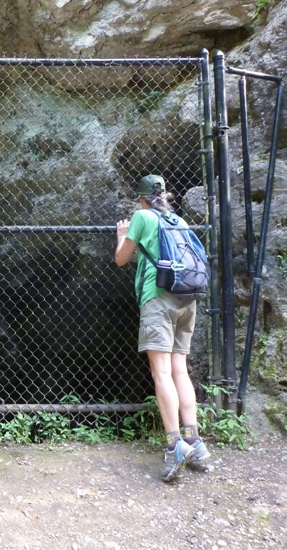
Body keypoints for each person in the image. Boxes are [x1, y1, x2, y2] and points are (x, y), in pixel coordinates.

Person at [114, 174, 210, 482]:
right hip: (187, 299)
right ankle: (194, 439)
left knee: (161, 373)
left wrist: (122, 235)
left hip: (158, 299)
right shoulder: (178, 221)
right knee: (180, 369)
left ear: (141, 198)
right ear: (166, 197)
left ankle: (174, 444)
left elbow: (121, 259)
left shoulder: (141, 217)